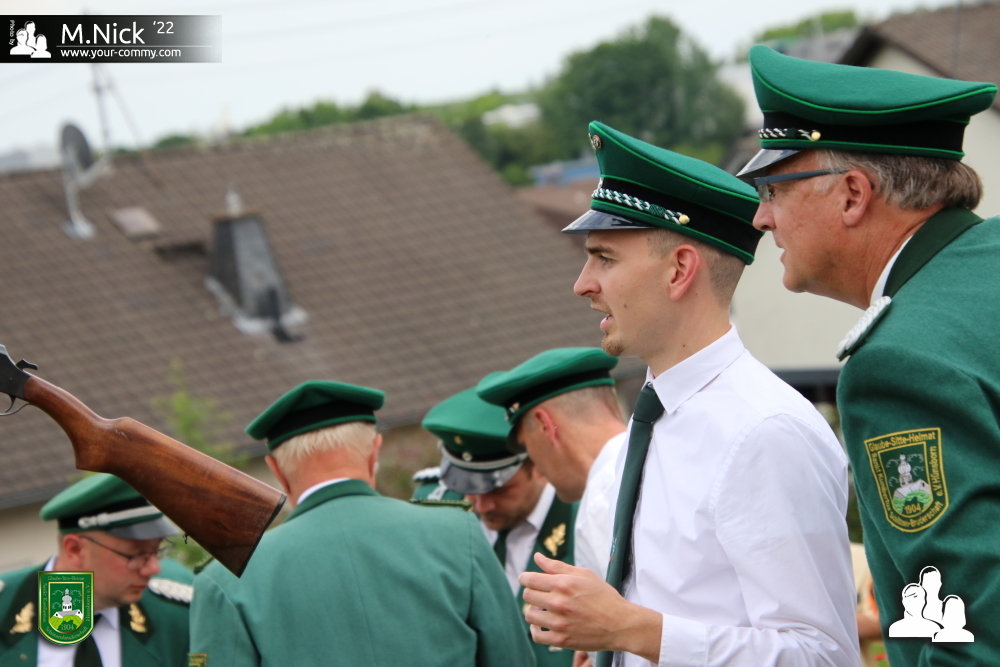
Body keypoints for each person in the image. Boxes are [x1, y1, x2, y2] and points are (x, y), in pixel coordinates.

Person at [518, 120, 860, 667]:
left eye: (605, 258)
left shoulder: (765, 433)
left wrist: (632, 630)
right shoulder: (655, 418)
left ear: (679, 270)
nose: (583, 283)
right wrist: (616, 644)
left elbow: (822, 656)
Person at [736, 45, 999, 665]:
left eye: (773, 189)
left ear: (853, 194)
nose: (761, 217)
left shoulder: (898, 364)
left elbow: (968, 633)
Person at [189, 380, 531, 667]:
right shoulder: (458, 533)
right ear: (374, 451)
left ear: (276, 470)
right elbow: (511, 658)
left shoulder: (226, 578)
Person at [424, 385, 576, 667]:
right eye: (468, 488)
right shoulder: (434, 511)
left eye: (499, 490)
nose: (482, 506)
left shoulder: (584, 517)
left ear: (538, 465)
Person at [0, 473, 192, 666]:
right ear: (75, 550)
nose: (153, 568)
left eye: (156, 551)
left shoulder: (177, 615)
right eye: (135, 554)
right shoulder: (4, 606)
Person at [476, 347, 626, 580]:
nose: (536, 466)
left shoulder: (604, 497)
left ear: (544, 425)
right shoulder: (659, 457)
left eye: (526, 446)